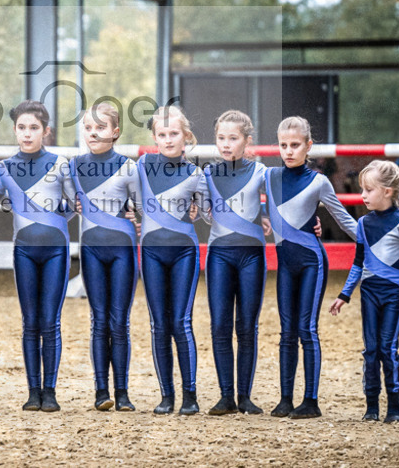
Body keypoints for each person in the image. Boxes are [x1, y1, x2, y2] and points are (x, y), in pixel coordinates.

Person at [264, 116, 358, 419]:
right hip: (285, 266)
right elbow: (236, 194)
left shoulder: (319, 181)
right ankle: (285, 399)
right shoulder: (268, 176)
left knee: (307, 329)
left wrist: (376, 242)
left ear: (308, 146)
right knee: (286, 331)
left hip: (311, 263)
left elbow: (343, 219)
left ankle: (311, 400)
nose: (289, 151)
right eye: (283, 145)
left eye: (295, 145)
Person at [0, 99, 75, 412]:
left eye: (33, 128)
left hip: (55, 251)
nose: (27, 134)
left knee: (50, 322)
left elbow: (71, 207)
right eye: (21, 128)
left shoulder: (61, 164)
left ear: (46, 131)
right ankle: (32, 391)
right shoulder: (3, 169)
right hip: (24, 251)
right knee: (30, 323)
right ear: (14, 131)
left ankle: (49, 391)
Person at [330, 160, 399, 424]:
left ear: (387, 191)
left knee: (388, 348)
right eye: (362, 189)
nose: (362, 196)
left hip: (394, 294)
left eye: (368, 190)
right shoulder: (363, 223)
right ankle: (371, 406)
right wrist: (344, 295)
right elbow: (358, 263)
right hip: (369, 294)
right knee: (371, 349)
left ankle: (394, 407)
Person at [70, 102, 141, 412]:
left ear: (115, 132)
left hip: (123, 251)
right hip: (92, 251)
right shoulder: (73, 167)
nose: (92, 132)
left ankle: (123, 392)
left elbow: (143, 207)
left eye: (99, 127)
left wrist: (135, 216)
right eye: (87, 127)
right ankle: (102, 391)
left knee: (119, 322)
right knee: (99, 321)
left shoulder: (129, 167)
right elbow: (58, 201)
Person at [137, 104, 204, 416]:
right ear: (154, 136)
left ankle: (190, 395)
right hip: (150, 251)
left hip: (184, 253)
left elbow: (213, 211)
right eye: (161, 134)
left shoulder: (196, 174)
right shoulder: (142, 164)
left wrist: (262, 218)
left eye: (173, 133)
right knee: (159, 324)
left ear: (185, 136)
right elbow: (122, 195)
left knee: (181, 322)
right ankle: (167, 395)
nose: (167, 139)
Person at [202, 110, 268, 416]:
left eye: (233, 138)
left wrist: (269, 218)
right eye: (221, 138)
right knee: (219, 326)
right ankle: (226, 396)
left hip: (252, 256)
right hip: (219, 256)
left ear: (247, 141)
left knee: (246, 327)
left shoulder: (261, 172)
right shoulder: (206, 174)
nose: (226, 144)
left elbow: (280, 206)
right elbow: (202, 211)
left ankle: (245, 396)